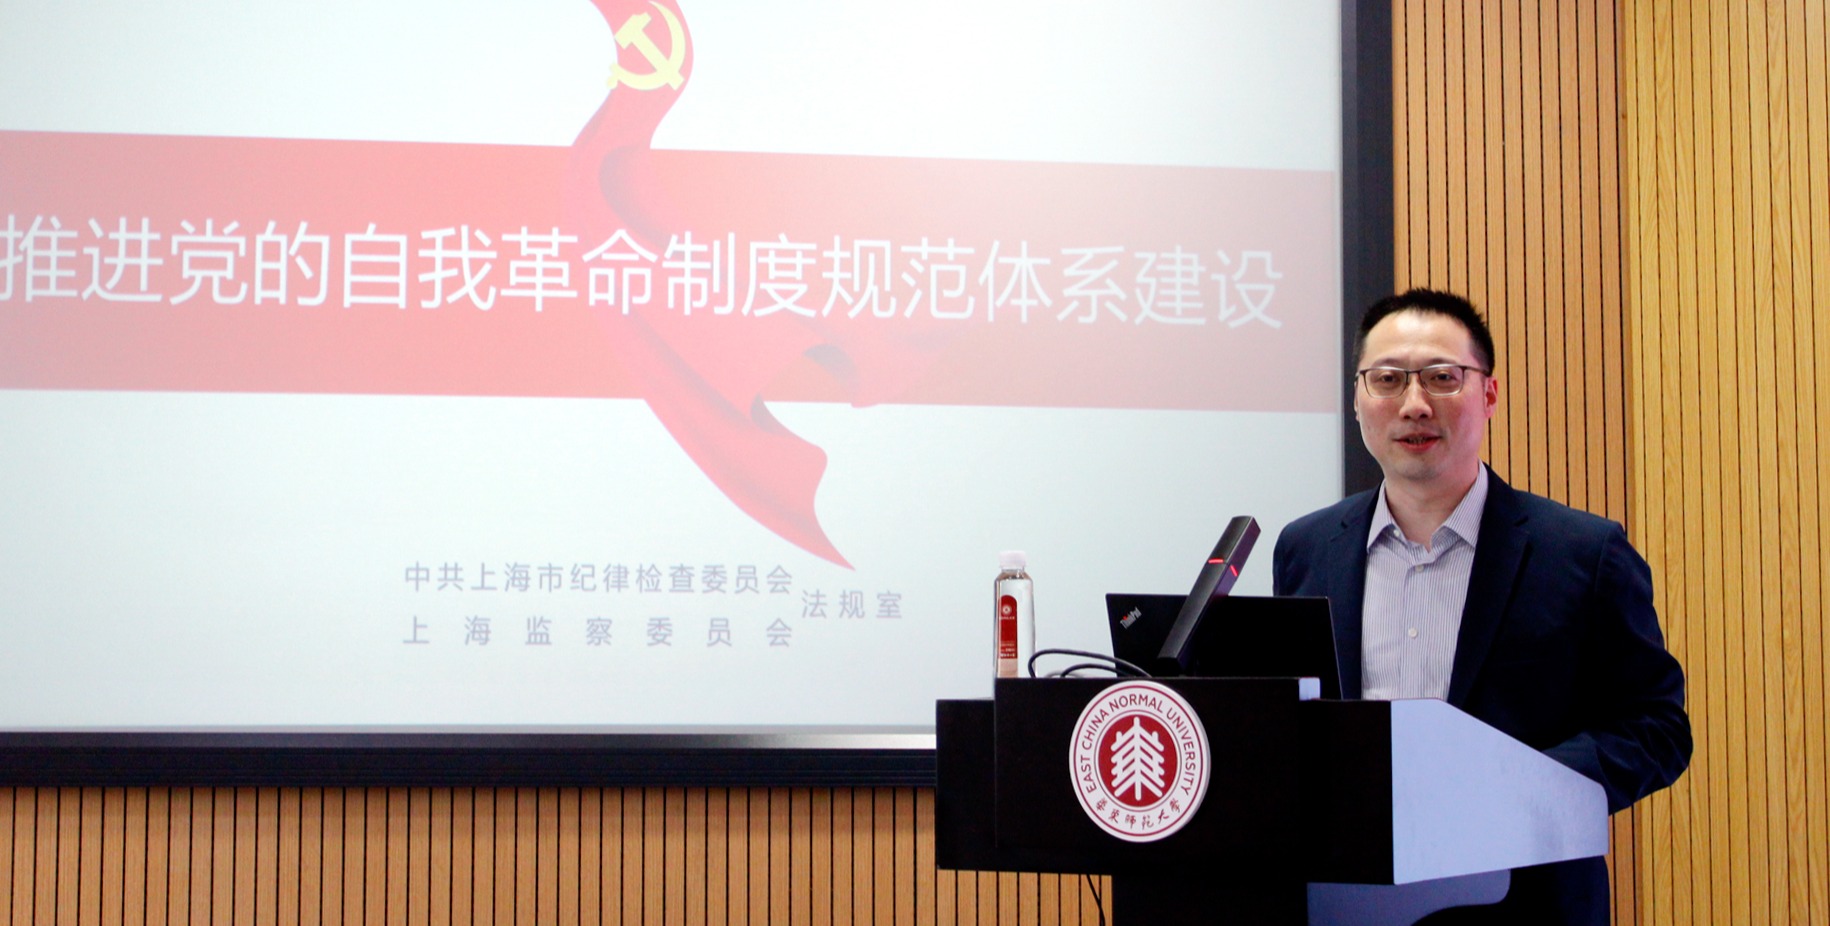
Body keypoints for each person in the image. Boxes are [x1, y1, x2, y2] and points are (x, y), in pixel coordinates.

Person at [1272, 288, 1692, 924]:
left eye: (1443, 377)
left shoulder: (1583, 553)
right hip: (1345, 898)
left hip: (1524, 901)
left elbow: (1656, 726)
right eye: (1387, 379)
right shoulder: (1306, 547)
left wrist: (1521, 786)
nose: (1414, 404)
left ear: (1489, 394)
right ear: (1358, 399)